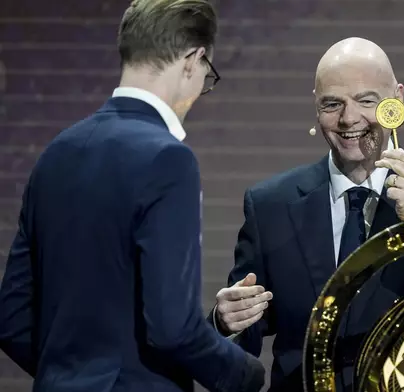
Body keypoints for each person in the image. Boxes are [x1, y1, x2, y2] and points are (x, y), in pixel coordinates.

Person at [0, 0, 265, 391]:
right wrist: (245, 374)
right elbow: (173, 328)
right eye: (208, 76)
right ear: (194, 59)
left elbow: (13, 318)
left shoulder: (56, 153)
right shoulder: (168, 159)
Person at [212, 37, 404, 391]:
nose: (349, 119)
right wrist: (224, 323)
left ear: (397, 99)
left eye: (366, 100)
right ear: (316, 107)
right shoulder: (270, 205)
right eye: (333, 104)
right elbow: (244, 335)